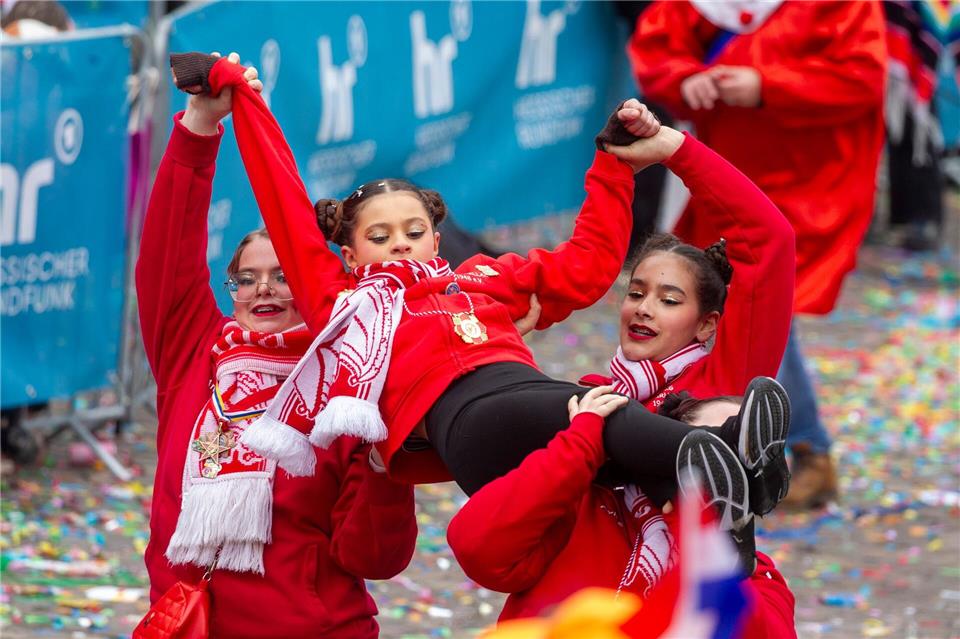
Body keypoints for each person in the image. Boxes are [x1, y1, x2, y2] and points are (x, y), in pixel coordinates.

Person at [169, 54, 789, 530]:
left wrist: (612, 167)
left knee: (620, 455)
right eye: (380, 236)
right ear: (350, 254)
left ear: (438, 240)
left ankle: (717, 494)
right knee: (596, 411)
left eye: (414, 231)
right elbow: (284, 207)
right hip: (471, 423)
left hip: (531, 400)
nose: (402, 245)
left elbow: (586, 268)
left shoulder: (484, 279)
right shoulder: (343, 301)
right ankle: (733, 460)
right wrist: (245, 105)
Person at [136, 56, 417, 638]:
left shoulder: (348, 382)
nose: (263, 288)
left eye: (285, 273)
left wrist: (383, 464)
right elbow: (168, 248)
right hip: (191, 625)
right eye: (247, 276)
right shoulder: (194, 348)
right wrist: (199, 126)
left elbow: (378, 559)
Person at [628, 0, 888, 509]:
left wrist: (767, 85)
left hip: (808, 182)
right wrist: (685, 81)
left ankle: (801, 448)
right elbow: (659, 47)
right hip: (727, 177)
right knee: (745, 304)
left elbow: (861, 78)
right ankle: (760, 444)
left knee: (764, 302)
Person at [447, 389, 796, 637]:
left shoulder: (753, 573)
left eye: (736, 456)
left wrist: (706, 538)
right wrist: (578, 446)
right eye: (708, 447)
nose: (722, 467)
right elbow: (478, 549)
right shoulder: (586, 505)